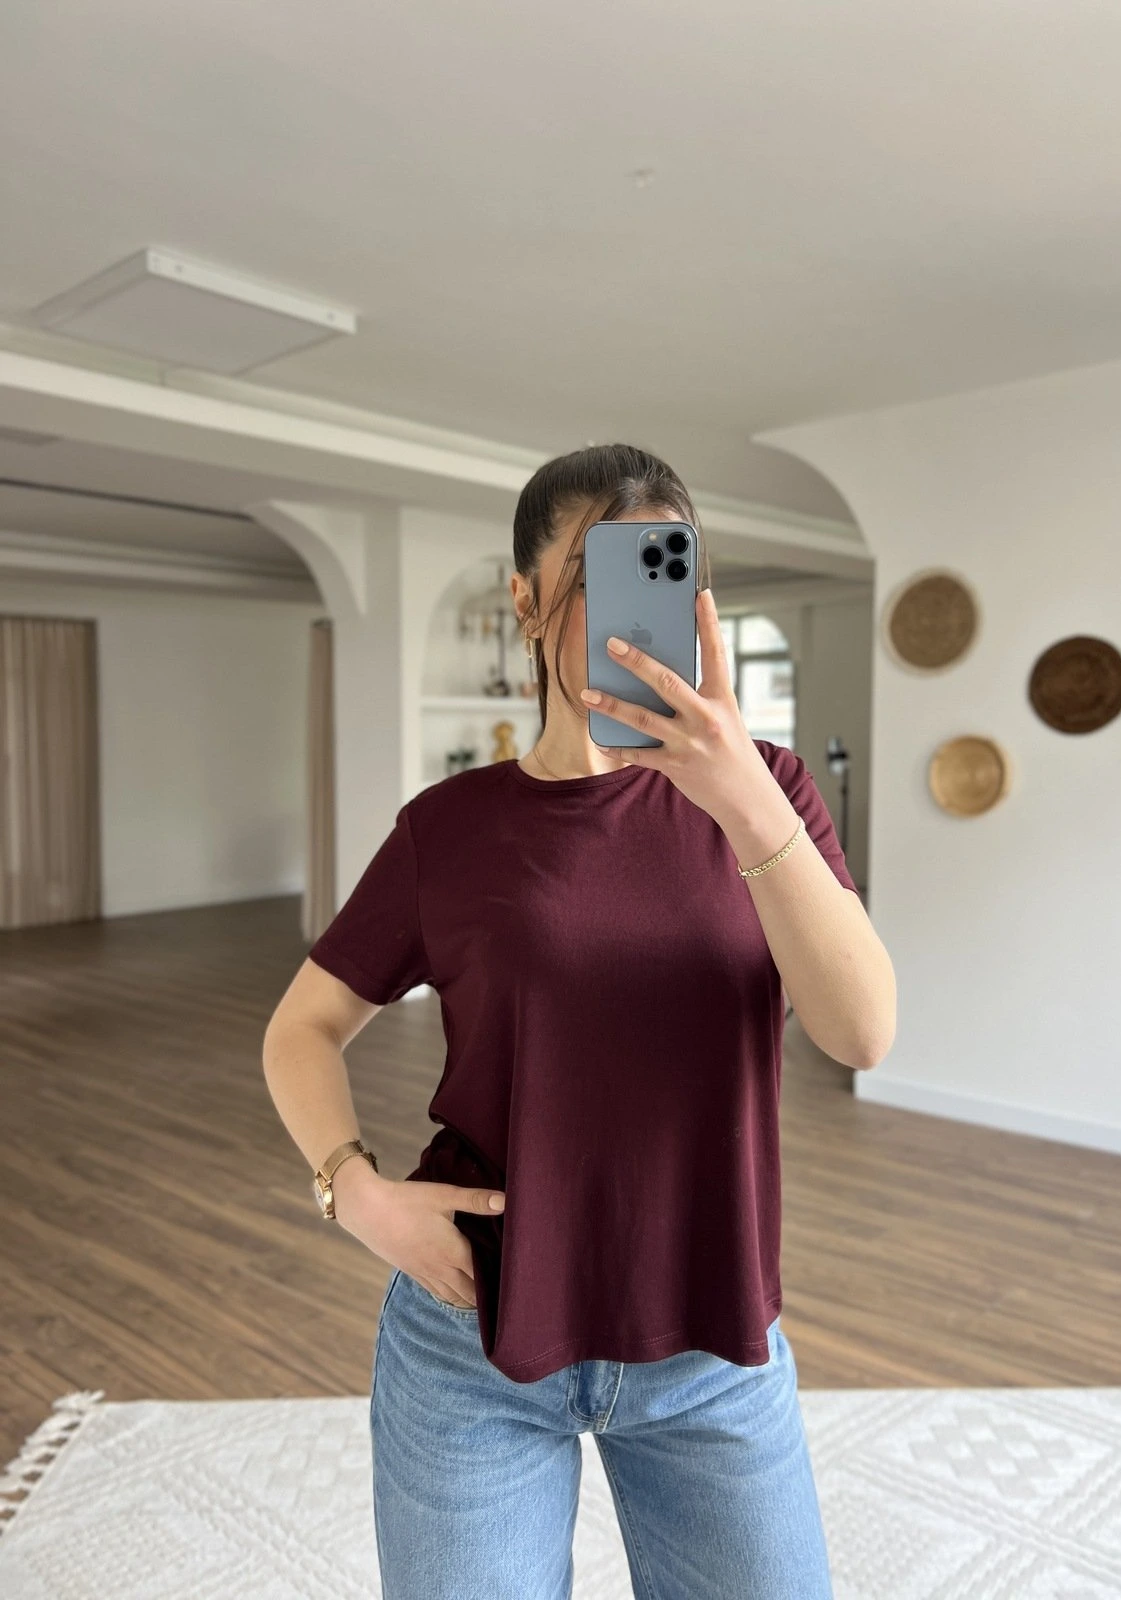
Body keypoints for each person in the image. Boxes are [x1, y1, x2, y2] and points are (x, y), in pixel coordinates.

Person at [263, 442, 896, 1599]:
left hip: (713, 1342)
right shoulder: (450, 828)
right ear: (523, 600)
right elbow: (300, 1027)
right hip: (474, 1337)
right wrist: (355, 1193)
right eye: (599, 574)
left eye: (664, 569)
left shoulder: (773, 791)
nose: (633, 614)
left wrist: (743, 798)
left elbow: (862, 1033)